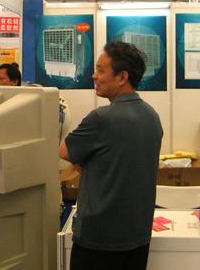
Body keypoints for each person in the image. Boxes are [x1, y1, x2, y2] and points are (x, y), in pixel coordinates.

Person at [59, 42, 163, 270]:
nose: (94, 75)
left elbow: (64, 151)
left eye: (100, 70)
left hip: (99, 240)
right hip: (138, 237)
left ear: (122, 76)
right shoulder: (152, 116)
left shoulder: (101, 118)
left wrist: (83, 163)